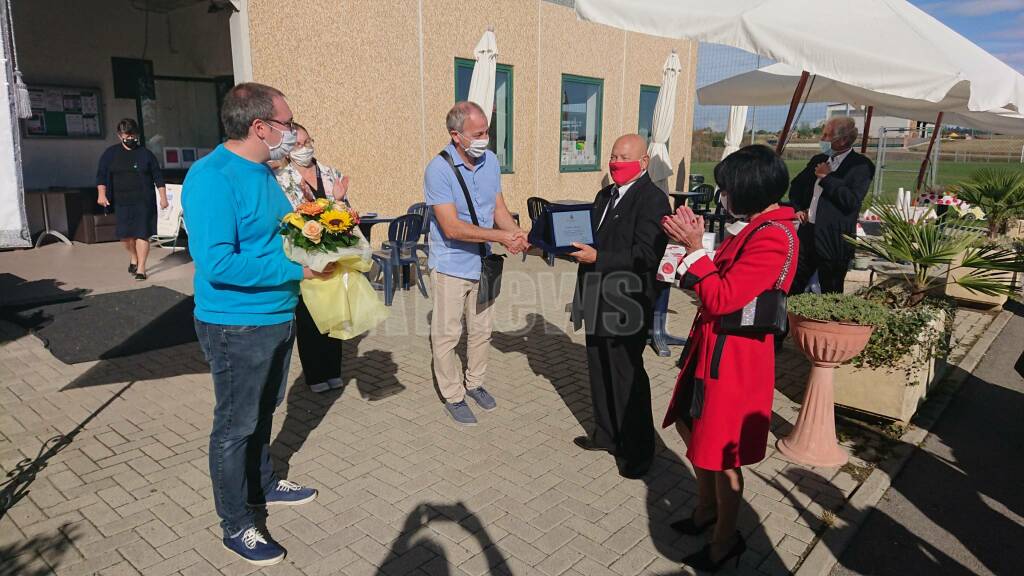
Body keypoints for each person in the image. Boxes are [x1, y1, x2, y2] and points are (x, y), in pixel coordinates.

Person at [182, 82, 333, 567]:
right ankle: (237, 523)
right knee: (234, 425)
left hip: (276, 315)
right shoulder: (211, 178)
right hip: (235, 327)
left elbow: (275, 236)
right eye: (287, 124)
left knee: (266, 409)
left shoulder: (265, 172)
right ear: (259, 127)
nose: (293, 133)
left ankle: (263, 482)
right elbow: (217, 263)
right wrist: (300, 270)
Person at [660, 145, 798, 572]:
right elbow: (710, 278)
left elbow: (720, 296)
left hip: (734, 361)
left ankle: (725, 540)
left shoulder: (774, 235)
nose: (722, 196)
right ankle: (706, 509)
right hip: (713, 350)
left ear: (749, 191)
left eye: (725, 189)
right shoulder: (758, 227)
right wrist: (687, 247)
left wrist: (695, 248)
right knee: (690, 425)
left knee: (723, 453)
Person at [569, 133, 671, 479]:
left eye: (624, 157)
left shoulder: (653, 200)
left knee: (627, 377)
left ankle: (639, 450)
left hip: (627, 300)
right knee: (598, 367)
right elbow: (593, 236)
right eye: (612, 156)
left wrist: (599, 256)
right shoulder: (605, 194)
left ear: (643, 162)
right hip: (596, 293)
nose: (615, 162)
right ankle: (607, 434)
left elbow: (647, 254)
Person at [424, 101, 528, 426]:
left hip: (485, 263)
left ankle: (476, 383)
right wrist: (500, 236)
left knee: (482, 330)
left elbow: (497, 205)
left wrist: (515, 234)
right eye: (478, 133)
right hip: (452, 264)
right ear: (456, 136)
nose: (485, 138)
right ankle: (454, 395)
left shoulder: (491, 161)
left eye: (487, 131)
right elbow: (452, 227)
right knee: (447, 335)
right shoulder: (438, 170)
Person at [274, 123, 351, 393]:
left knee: (334, 311)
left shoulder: (331, 173)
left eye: (307, 141)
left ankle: (333, 369)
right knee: (309, 316)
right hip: (304, 255)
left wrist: (340, 201)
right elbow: (285, 221)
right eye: (297, 144)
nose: (304, 148)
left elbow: (346, 214)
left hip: (332, 253)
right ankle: (316, 374)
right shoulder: (281, 179)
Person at [788, 116, 875, 295]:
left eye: (827, 135)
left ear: (843, 140)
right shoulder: (819, 160)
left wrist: (827, 178)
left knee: (831, 290)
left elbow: (851, 201)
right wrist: (798, 208)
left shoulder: (861, 165)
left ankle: (825, 323)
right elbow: (796, 186)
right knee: (794, 284)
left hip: (834, 238)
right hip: (808, 232)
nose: (823, 139)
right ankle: (790, 321)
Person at [95, 118, 168, 281]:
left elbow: (158, 176)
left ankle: (141, 268)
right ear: (119, 135)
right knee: (126, 237)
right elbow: (101, 174)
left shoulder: (145, 154)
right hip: (121, 202)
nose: (129, 138)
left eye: (132, 134)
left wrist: (163, 197)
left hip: (143, 201)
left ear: (137, 135)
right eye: (126, 135)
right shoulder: (110, 154)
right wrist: (101, 193)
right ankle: (133, 256)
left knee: (142, 234)